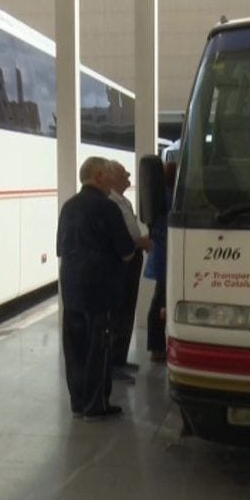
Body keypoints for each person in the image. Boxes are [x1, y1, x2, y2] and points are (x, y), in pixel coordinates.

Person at [56, 157, 136, 420]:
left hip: (71, 286)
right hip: (100, 288)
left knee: (75, 348)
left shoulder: (68, 207)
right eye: (109, 176)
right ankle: (96, 405)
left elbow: (60, 248)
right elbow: (126, 252)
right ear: (99, 176)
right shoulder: (108, 207)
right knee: (98, 348)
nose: (113, 181)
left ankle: (77, 403)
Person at [107, 160, 153, 380]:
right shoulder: (111, 202)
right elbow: (117, 237)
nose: (129, 178)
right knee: (117, 312)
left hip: (132, 258)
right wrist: (139, 243)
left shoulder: (124, 201)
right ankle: (112, 362)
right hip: (120, 262)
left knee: (128, 309)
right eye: (124, 174)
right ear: (113, 177)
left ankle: (120, 358)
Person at [144, 161, 176, 361]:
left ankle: (157, 346)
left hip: (163, 254)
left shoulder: (159, 195)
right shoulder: (169, 196)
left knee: (160, 298)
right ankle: (156, 347)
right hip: (166, 255)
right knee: (160, 300)